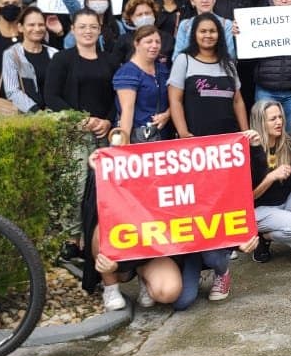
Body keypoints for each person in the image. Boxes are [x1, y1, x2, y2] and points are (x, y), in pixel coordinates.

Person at [86, 127, 258, 311]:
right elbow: (101, 215)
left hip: (172, 250)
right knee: (102, 231)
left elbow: (227, 190)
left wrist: (254, 149)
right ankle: (111, 288)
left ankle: (148, 276)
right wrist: (100, 168)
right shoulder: (121, 173)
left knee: (178, 298)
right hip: (138, 245)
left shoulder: (185, 172)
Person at [44, 8, 120, 142]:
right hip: (72, 132)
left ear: (99, 29)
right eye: (82, 27)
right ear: (73, 29)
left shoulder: (111, 60)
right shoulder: (61, 58)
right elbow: (51, 96)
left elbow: (118, 96)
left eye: (93, 27)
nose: (88, 31)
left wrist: (108, 120)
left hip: (104, 131)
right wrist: (79, 119)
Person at [168, 13, 247, 138]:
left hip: (230, 141)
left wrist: (245, 133)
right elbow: (175, 101)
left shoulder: (229, 64)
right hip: (196, 139)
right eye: (203, 31)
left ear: (219, 34)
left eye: (212, 31)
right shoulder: (184, 60)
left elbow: (237, 101)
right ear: (194, 34)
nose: (208, 35)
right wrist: (183, 133)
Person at [245, 99, 291, 263]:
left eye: (280, 117)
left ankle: (282, 237)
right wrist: (271, 177)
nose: (279, 122)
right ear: (260, 123)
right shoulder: (250, 150)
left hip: (286, 201)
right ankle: (264, 237)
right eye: (272, 119)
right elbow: (250, 197)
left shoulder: (288, 142)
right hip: (260, 210)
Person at [253, 0, 291, 127]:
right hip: (266, 89)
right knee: (266, 134)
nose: (284, 0)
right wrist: (240, 32)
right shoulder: (258, 21)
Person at [113, 25, 172, 142]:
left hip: (163, 135)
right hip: (139, 137)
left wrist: (167, 114)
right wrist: (124, 144)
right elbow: (127, 111)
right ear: (136, 44)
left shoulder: (162, 69)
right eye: (148, 42)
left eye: (157, 42)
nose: (154, 46)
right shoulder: (128, 73)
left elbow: (174, 98)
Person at [1, 6, 58, 113]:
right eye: (31, 25)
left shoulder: (54, 53)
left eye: (41, 25)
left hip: (54, 116)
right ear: (20, 27)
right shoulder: (12, 54)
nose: (37, 29)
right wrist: (35, 111)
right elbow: (12, 91)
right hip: (25, 118)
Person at [172, 0, 236, 58]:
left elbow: (231, 57)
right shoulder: (185, 25)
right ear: (192, 1)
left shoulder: (226, 24)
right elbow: (176, 58)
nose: (204, 0)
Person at [111, 0, 172, 64]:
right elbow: (115, 65)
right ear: (131, 18)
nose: (144, 17)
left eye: (148, 13)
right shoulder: (124, 40)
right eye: (139, 15)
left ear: (154, 14)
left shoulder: (167, 38)